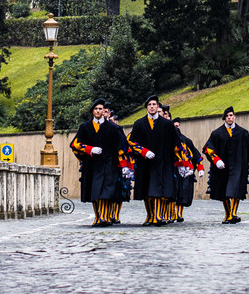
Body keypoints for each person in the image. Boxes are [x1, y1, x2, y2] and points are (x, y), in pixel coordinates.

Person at [70, 98, 132, 226]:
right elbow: (75, 144)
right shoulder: (85, 126)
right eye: (96, 109)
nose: (98, 111)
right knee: (94, 192)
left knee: (106, 191)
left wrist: (124, 165)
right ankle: (98, 217)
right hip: (92, 164)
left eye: (100, 109)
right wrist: (89, 149)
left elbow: (123, 147)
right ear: (92, 111)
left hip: (109, 164)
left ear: (104, 111)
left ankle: (104, 217)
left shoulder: (113, 128)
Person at [127, 95, 184, 225]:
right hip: (145, 162)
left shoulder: (167, 124)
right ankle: (150, 216)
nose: (152, 107)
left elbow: (177, 143)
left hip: (163, 162)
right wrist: (143, 151)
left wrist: (182, 162)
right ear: (146, 107)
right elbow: (131, 142)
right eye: (149, 105)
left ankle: (157, 216)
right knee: (146, 190)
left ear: (158, 107)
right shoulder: (139, 123)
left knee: (158, 189)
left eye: (154, 104)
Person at [203, 106, 249, 224]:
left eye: (231, 115)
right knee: (224, 191)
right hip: (222, 167)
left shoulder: (243, 133)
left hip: (239, 165)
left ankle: (233, 213)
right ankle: (228, 214)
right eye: (227, 116)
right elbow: (208, 148)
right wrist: (216, 160)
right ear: (224, 118)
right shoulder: (217, 133)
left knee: (236, 188)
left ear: (234, 116)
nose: (229, 118)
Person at [173, 118, 205, 222]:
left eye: (177, 126)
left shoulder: (187, 141)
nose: (176, 128)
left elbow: (196, 155)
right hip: (173, 169)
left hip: (185, 171)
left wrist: (200, 167)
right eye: (174, 126)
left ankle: (179, 214)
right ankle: (171, 212)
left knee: (182, 192)